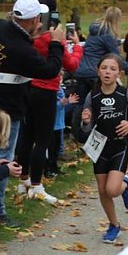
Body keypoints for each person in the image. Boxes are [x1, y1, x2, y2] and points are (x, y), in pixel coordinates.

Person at [0, 0, 65, 229]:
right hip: (5, 112)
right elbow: (50, 69)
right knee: (3, 158)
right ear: (34, 19)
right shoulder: (21, 48)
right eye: (38, 20)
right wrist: (55, 43)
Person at [15, 18, 83, 205]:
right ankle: (37, 185)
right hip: (46, 92)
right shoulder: (52, 40)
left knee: (27, 137)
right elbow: (72, 65)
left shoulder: (29, 38)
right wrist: (76, 46)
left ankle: (23, 180)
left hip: (28, 88)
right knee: (43, 140)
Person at [80, 54, 128, 243]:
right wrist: (85, 121)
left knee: (111, 190)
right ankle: (114, 225)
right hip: (99, 147)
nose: (108, 72)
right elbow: (86, 127)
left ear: (119, 72)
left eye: (112, 68)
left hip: (119, 146)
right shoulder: (92, 96)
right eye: (104, 68)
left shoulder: (125, 93)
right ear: (98, 71)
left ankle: (123, 185)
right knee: (102, 190)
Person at [74, 7, 124, 105]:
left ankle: (77, 120)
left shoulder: (95, 31)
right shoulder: (108, 34)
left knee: (80, 104)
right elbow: (116, 56)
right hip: (94, 72)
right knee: (99, 103)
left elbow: (97, 45)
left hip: (82, 70)